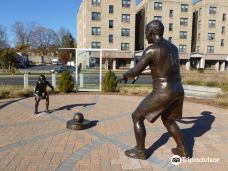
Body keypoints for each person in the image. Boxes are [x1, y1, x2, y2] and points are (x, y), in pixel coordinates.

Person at [123, 20, 189, 160]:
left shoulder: (152, 50)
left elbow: (135, 70)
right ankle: (182, 149)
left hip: (163, 91)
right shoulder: (173, 48)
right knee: (168, 120)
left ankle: (140, 151)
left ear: (152, 33)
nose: (146, 36)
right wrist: (140, 73)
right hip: (178, 90)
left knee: (137, 117)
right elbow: (161, 70)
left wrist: (126, 74)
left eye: (146, 33)